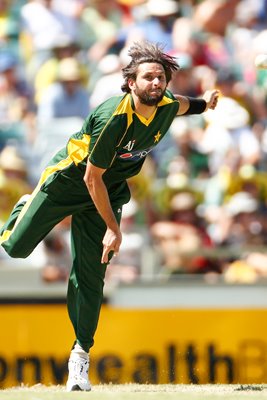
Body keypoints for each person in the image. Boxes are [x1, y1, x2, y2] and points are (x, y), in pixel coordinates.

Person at [0, 41, 219, 392]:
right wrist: (114, 229)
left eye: (160, 77)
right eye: (148, 77)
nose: (156, 83)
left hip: (108, 190)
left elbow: (186, 105)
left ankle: (80, 358)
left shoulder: (165, 104)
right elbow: (90, 177)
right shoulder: (113, 117)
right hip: (69, 181)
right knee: (15, 247)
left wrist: (205, 102)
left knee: (91, 275)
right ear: (131, 82)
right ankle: (25, 205)